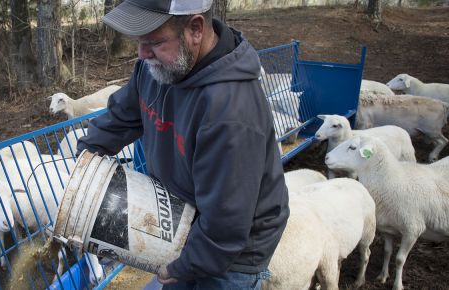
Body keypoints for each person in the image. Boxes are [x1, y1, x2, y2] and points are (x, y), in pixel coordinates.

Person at [76, 0, 290, 289]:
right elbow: (120, 118)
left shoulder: (230, 112)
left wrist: (180, 266)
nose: (141, 53)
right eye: (139, 41)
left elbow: (226, 224)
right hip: (183, 220)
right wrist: (83, 166)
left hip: (231, 253)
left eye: (153, 41)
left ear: (196, 29)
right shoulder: (159, 67)